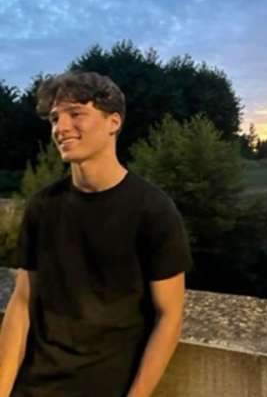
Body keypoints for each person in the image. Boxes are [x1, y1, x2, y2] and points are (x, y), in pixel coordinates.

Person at [0, 71, 193, 397]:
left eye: (76, 114)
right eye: (55, 118)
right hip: (33, 387)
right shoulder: (42, 206)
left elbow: (169, 317)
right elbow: (21, 303)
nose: (60, 128)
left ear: (113, 122)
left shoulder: (153, 210)